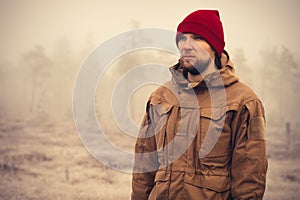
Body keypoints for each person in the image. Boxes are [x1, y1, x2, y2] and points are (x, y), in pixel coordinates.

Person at [131, 10, 267, 200]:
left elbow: (249, 177)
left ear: (215, 47)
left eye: (197, 38)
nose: (187, 46)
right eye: (182, 39)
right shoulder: (161, 97)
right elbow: (143, 169)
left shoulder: (244, 101)